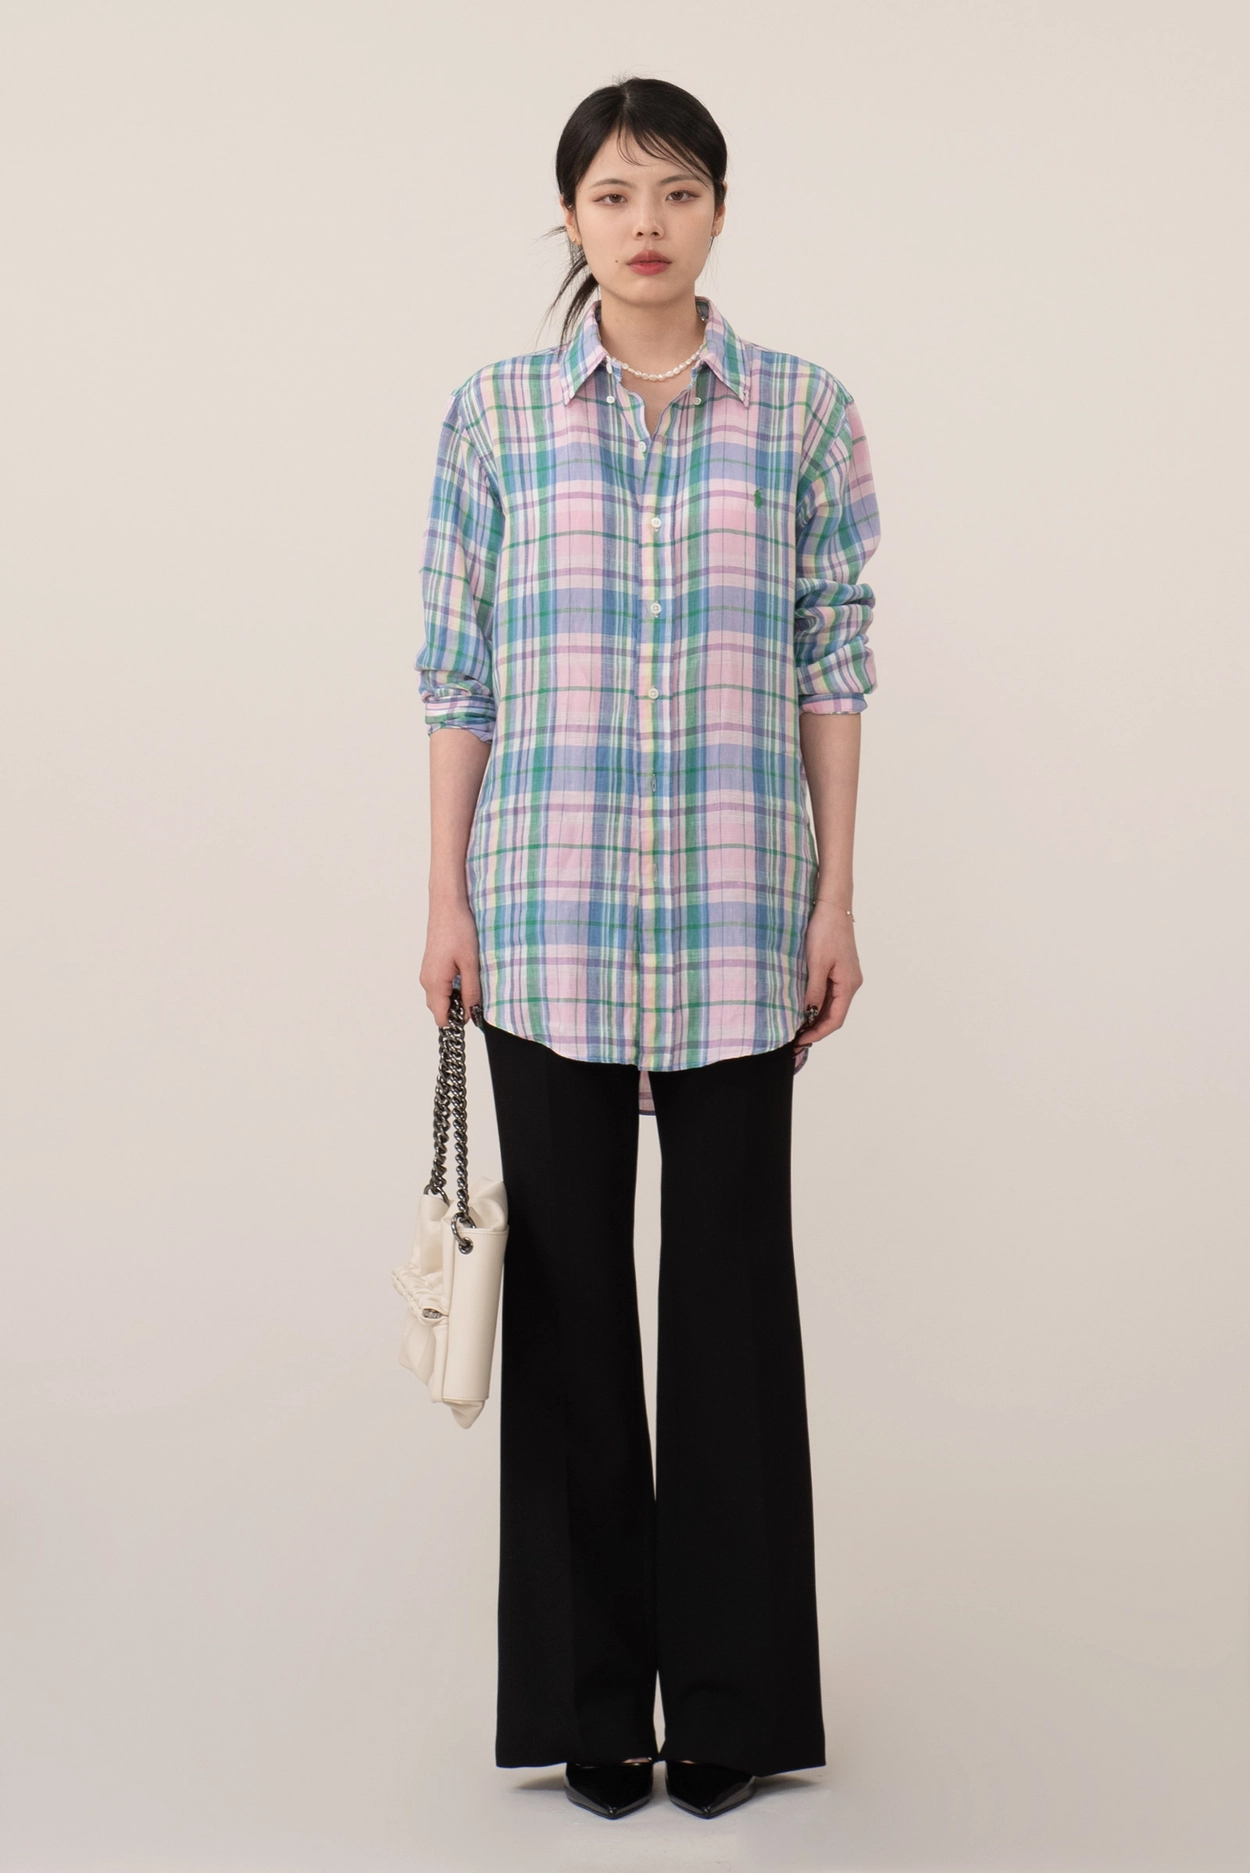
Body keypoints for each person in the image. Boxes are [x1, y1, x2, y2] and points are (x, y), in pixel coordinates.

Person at [415, 76, 881, 1822]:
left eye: (676, 190)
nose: (645, 223)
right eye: (613, 194)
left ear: (718, 211)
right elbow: (455, 673)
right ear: (570, 217)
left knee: (732, 1303)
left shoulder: (804, 412)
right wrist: (444, 896)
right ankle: (591, 1706)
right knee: (569, 1309)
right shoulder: (495, 417)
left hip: (744, 921)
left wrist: (836, 897)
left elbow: (832, 660)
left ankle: (737, 1707)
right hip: (540, 917)